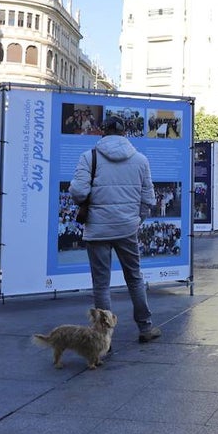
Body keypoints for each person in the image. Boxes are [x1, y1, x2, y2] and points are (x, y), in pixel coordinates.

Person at [69, 114, 161, 343]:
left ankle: (103, 339)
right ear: (124, 132)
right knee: (135, 278)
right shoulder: (140, 159)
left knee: (101, 284)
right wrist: (137, 219)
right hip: (127, 229)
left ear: (103, 131)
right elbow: (148, 198)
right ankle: (145, 328)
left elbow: (78, 192)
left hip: (98, 230)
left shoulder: (89, 157)